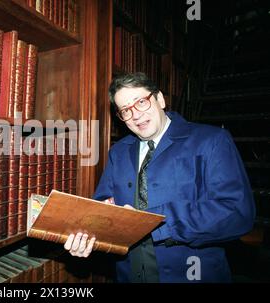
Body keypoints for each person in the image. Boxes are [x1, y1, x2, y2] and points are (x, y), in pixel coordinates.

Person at [64, 72, 255, 282]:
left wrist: (151, 223)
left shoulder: (211, 140)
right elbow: (102, 206)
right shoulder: (118, 152)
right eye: (125, 110)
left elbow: (238, 213)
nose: (135, 115)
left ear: (160, 99)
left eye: (141, 102)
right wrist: (88, 237)